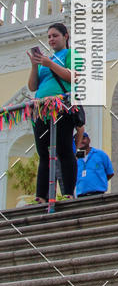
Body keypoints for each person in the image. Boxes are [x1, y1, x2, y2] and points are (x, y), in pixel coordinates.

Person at [27, 22, 78, 203]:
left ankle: (68, 192)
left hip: (62, 107)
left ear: (65, 36)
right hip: (41, 109)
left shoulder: (71, 54)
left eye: (55, 35)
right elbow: (33, 86)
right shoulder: (44, 62)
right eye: (49, 36)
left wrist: (50, 64)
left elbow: (74, 76)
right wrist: (35, 65)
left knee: (64, 150)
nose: (51, 39)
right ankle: (41, 196)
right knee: (44, 153)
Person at [75, 132, 114, 198]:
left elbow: (110, 173)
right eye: (78, 139)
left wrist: (99, 181)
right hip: (81, 196)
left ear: (89, 140)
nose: (81, 141)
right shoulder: (75, 158)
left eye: (83, 138)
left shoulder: (100, 154)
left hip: (99, 194)